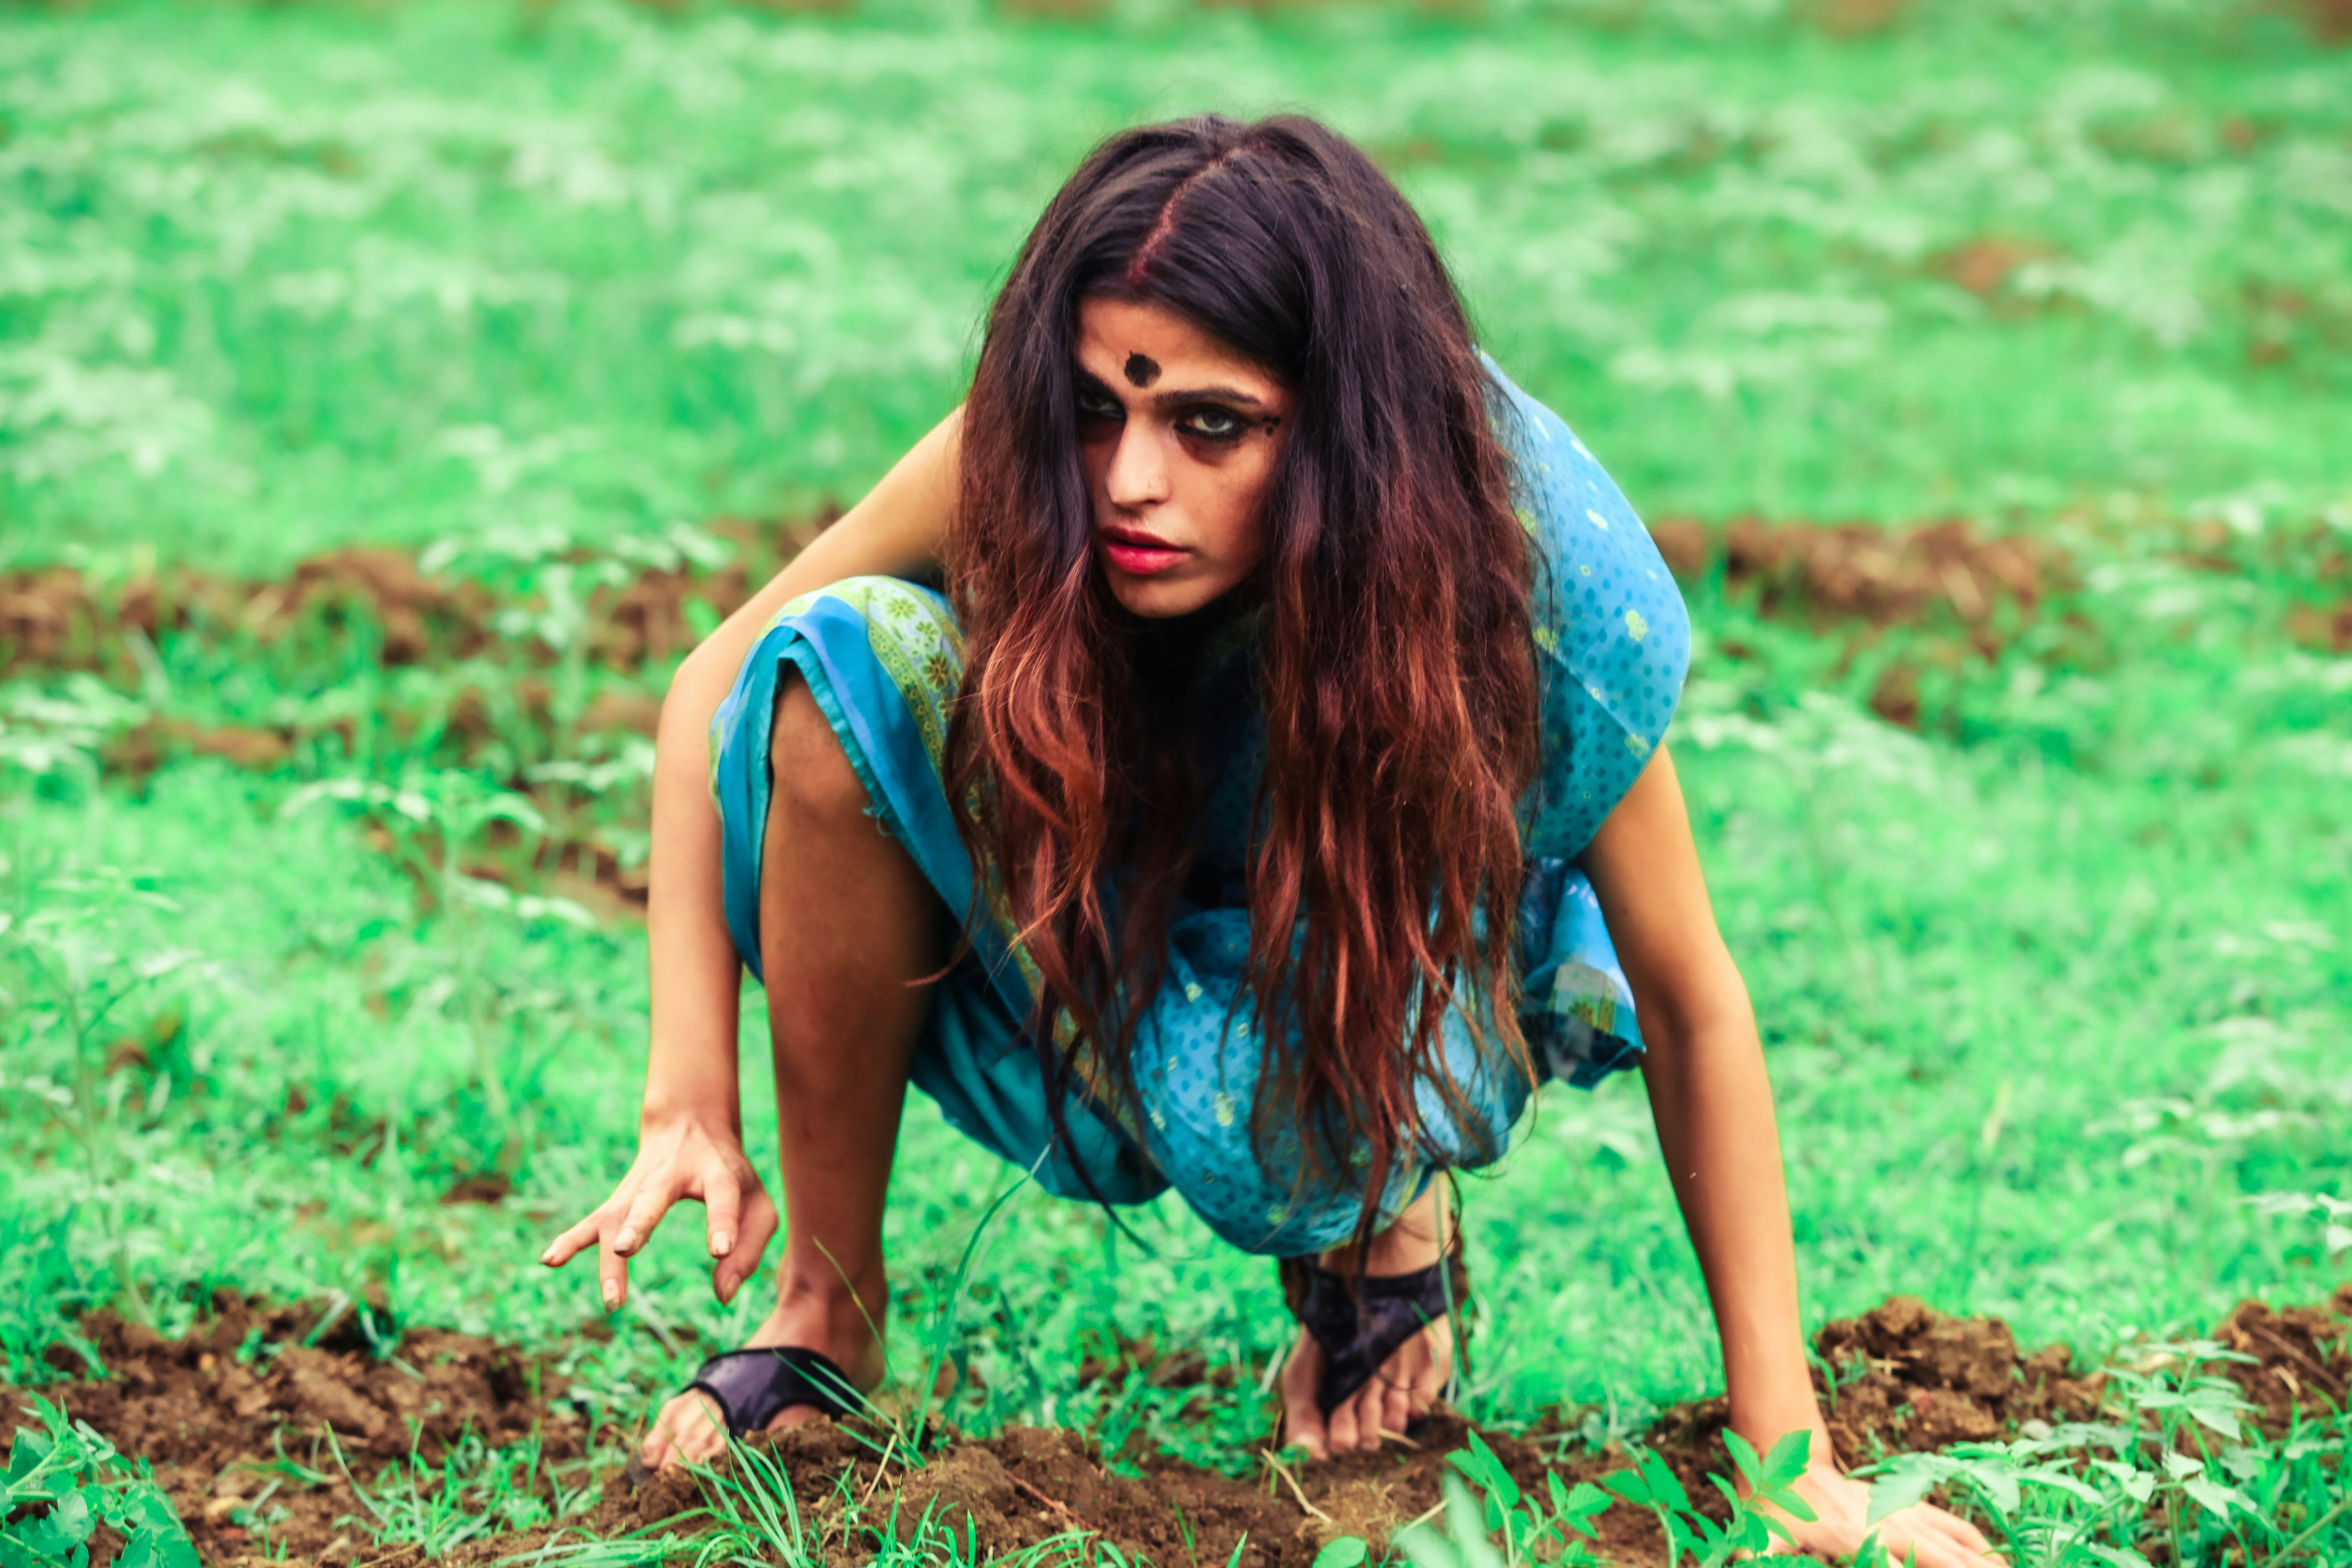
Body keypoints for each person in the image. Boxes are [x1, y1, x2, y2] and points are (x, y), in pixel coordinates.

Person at [542, 114, 2000, 1566]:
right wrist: (689, 1098)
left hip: (1389, 937)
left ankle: (1379, 1218)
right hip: (1112, 888)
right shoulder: (1026, 454)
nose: (1128, 479)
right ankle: (825, 1317)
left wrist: (1791, 1465)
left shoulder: (1538, 581)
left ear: (1345, 433)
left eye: (1212, 426)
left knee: (1267, 1143)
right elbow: (712, 683)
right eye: (1098, 408)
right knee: (828, 672)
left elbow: (1691, 999)